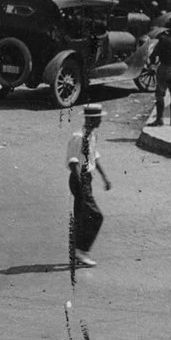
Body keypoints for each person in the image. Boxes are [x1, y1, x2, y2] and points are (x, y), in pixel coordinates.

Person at [66, 103, 111, 268]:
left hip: (86, 179)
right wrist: (82, 185)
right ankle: (82, 251)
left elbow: (94, 157)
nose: (100, 121)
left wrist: (104, 177)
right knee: (96, 216)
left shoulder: (91, 135)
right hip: (79, 180)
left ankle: (77, 251)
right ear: (91, 119)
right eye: (98, 118)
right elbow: (73, 163)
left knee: (81, 215)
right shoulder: (78, 137)